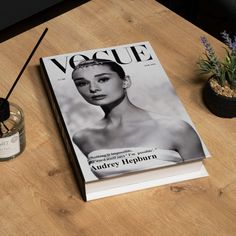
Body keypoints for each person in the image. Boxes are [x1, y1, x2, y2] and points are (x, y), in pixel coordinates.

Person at [71, 59, 205, 178]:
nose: (93, 88)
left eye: (103, 79)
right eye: (82, 83)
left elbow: (199, 177)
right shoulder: (83, 137)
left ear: (125, 81)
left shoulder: (176, 128)